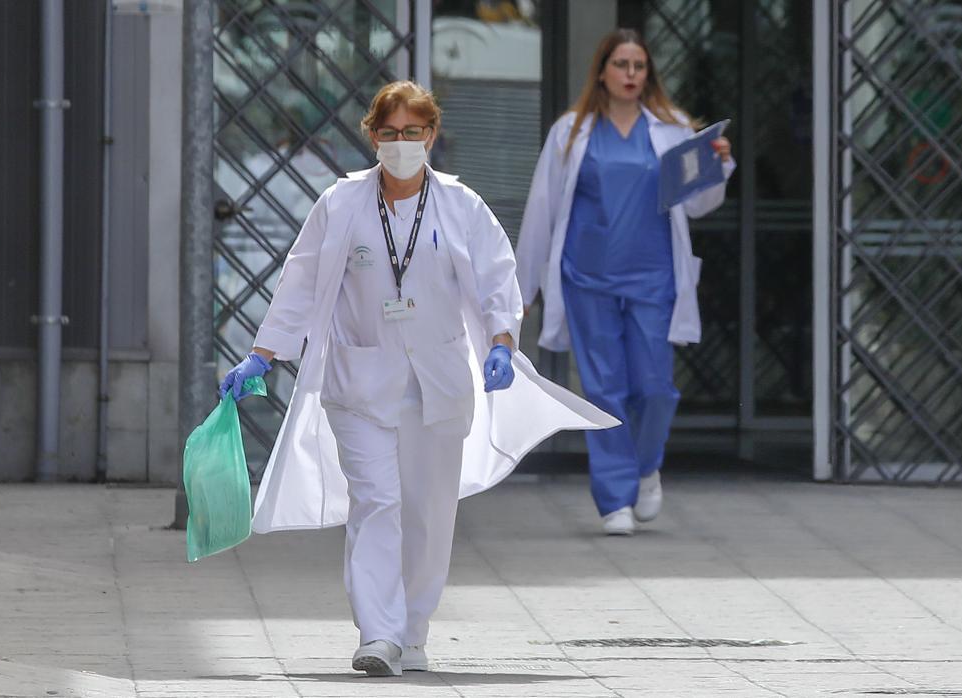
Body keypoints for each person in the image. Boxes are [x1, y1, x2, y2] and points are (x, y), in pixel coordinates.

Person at [219, 81, 615, 677]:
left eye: (412, 132)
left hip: (436, 379)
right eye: (389, 133)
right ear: (371, 137)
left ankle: (413, 627)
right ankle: (378, 633)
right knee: (375, 501)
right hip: (359, 380)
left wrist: (502, 342)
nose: (401, 143)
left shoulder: (460, 205)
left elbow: (494, 280)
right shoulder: (341, 202)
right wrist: (264, 353)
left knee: (428, 512)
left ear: (431, 135)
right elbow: (301, 280)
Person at [516, 29, 735, 536]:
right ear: (602, 71)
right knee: (604, 390)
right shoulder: (571, 131)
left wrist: (718, 166)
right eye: (622, 64)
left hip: (653, 278)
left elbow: (699, 204)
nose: (631, 75)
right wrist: (522, 290)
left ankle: (644, 465)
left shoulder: (672, 130)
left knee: (654, 387)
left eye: (639, 66)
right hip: (586, 278)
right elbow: (543, 211)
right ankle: (615, 497)